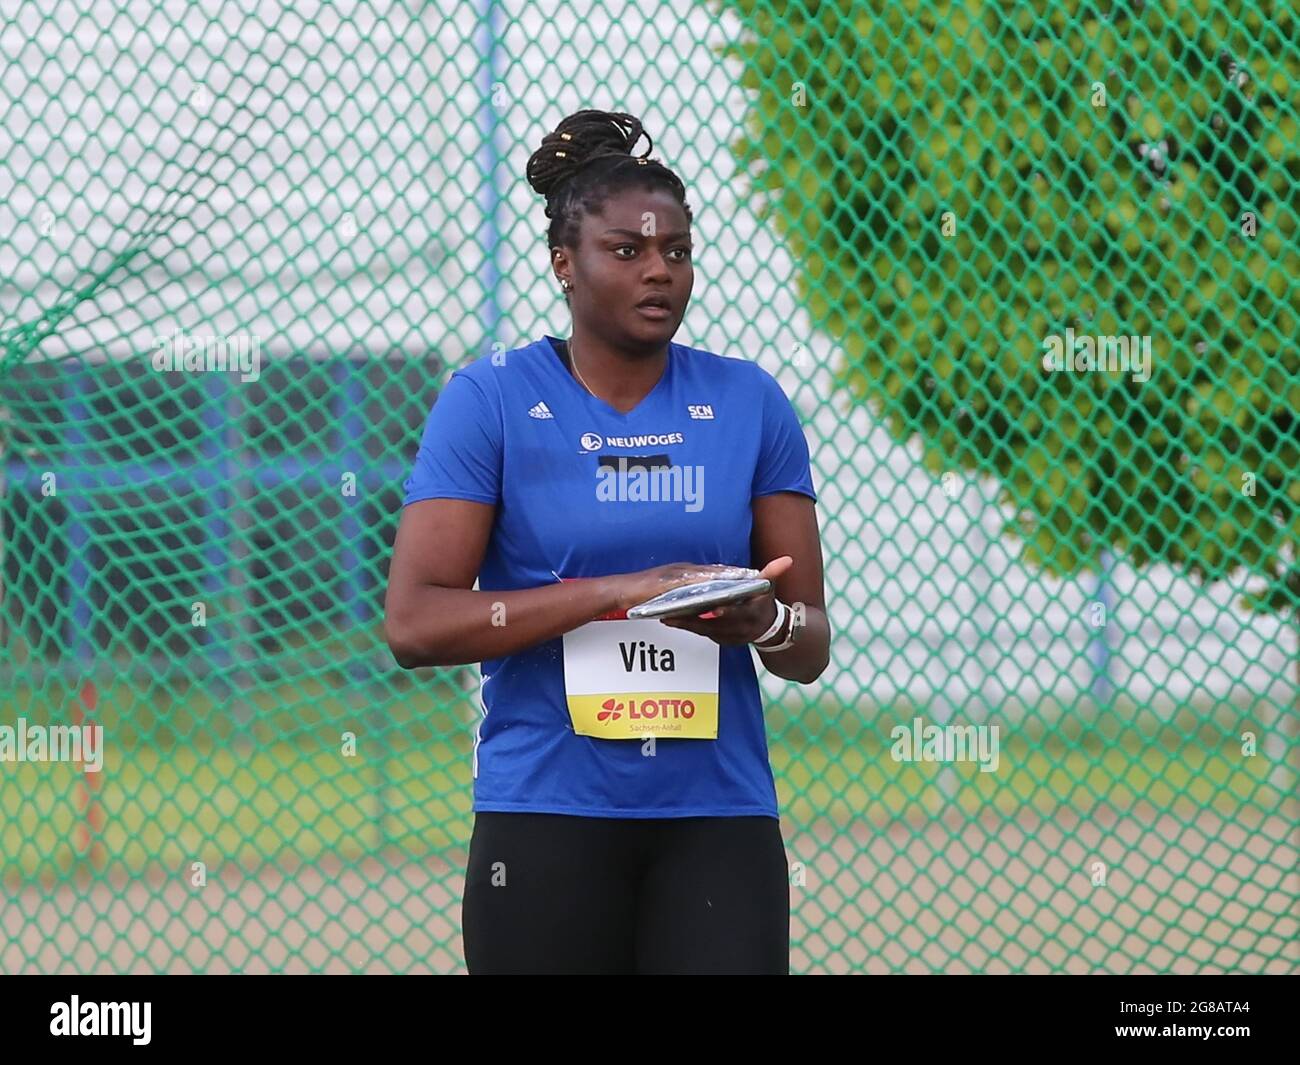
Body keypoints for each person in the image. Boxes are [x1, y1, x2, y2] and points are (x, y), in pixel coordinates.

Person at [384, 108, 829, 974]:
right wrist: (626, 589)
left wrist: (766, 622)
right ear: (564, 264)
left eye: (678, 250)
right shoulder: (491, 400)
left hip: (717, 819)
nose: (660, 270)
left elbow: (808, 644)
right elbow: (415, 622)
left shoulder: (750, 402)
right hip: (545, 816)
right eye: (627, 251)